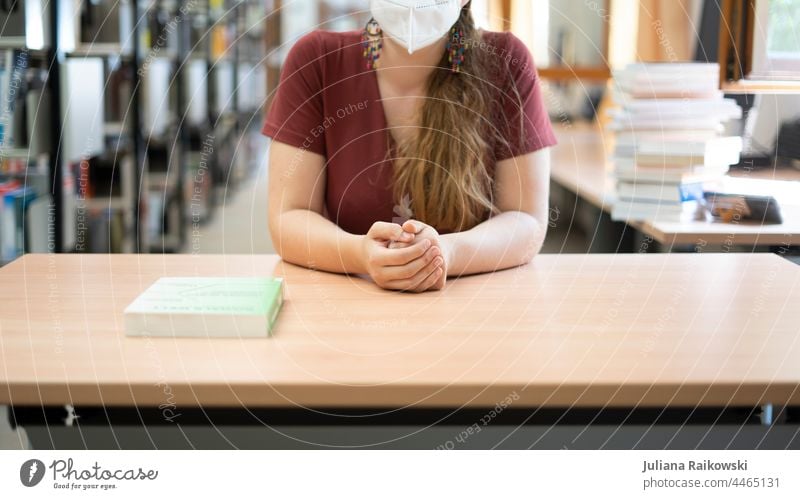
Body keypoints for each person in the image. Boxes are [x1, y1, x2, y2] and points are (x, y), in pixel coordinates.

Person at [264, 0, 556, 292]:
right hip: (353, 307)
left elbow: (526, 219)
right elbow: (289, 216)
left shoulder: (506, 62)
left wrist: (446, 253)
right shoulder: (317, 60)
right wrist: (360, 254)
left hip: (472, 310)